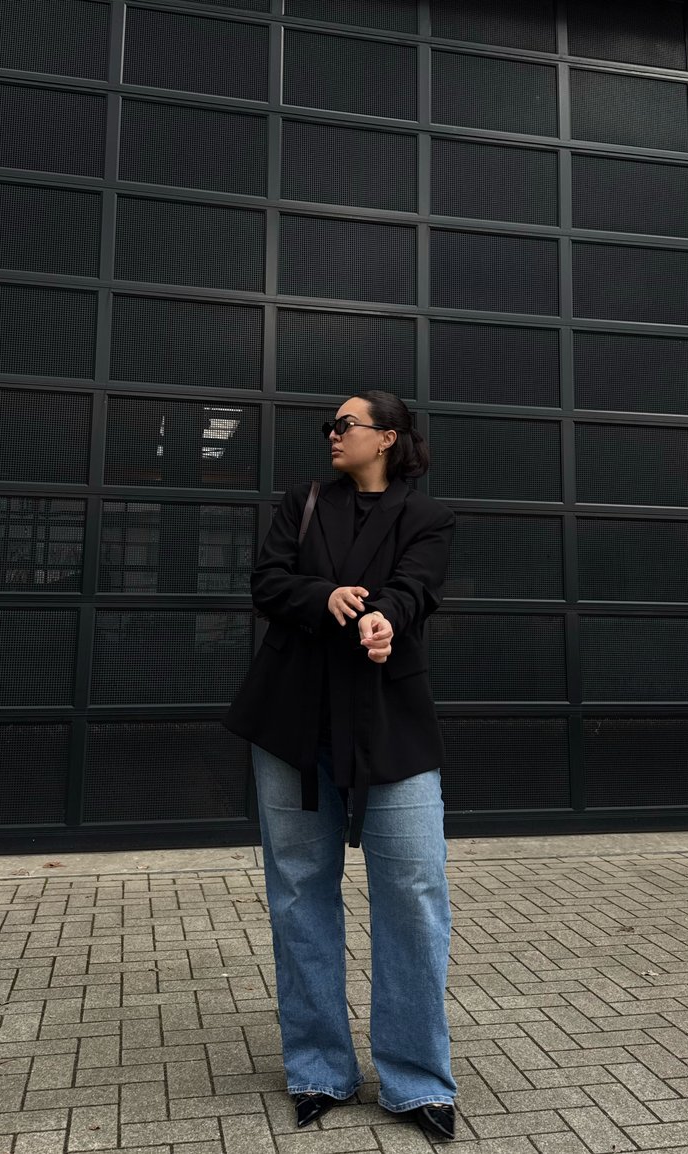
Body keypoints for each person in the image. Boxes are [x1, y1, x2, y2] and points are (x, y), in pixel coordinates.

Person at [223, 390, 457, 1140]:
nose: (332, 433)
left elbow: (416, 590)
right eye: (331, 424)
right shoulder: (304, 501)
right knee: (299, 894)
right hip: (292, 723)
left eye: (345, 424)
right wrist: (323, 595)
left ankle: (416, 1080)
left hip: (389, 727)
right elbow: (267, 583)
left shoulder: (427, 517)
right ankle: (319, 1070)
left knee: (414, 894)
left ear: (386, 437)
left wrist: (386, 616)